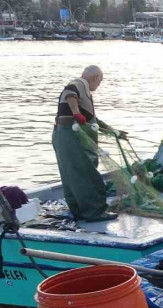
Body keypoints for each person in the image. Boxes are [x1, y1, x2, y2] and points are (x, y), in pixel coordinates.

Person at [53, 65, 118, 222]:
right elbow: (70, 94)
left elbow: (91, 119)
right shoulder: (79, 84)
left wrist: (113, 131)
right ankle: (95, 212)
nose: (99, 84)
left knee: (72, 176)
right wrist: (75, 112)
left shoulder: (85, 92)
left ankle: (78, 211)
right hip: (70, 137)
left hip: (63, 138)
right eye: (100, 81)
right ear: (95, 77)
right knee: (86, 175)